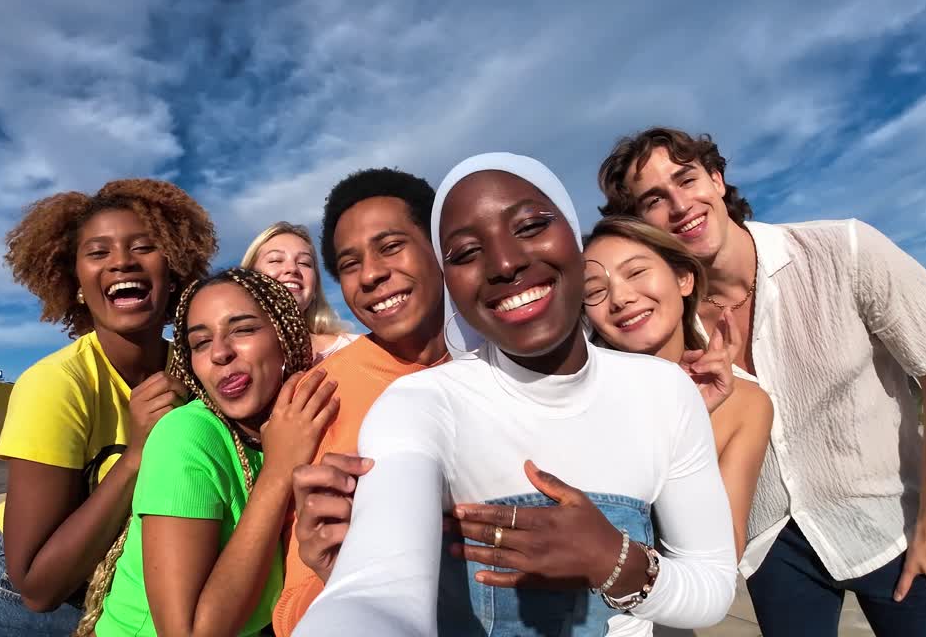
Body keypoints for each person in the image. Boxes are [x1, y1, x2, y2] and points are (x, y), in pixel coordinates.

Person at [294, 153, 736, 637]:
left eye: (530, 226)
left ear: (573, 234)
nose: (505, 263)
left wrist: (617, 560)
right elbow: (376, 593)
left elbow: (712, 587)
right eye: (465, 253)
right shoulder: (420, 406)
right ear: (451, 284)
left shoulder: (663, 392)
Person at [598, 127, 926, 636]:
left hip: (892, 527)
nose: (680, 205)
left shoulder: (844, 250)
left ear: (717, 177)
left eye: (687, 180)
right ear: (641, 224)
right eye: (654, 201)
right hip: (772, 547)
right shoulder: (664, 322)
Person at [0, 179, 217, 636]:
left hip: (112, 598)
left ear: (174, 274)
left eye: (143, 247)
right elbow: (37, 587)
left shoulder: (193, 371)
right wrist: (136, 456)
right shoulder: (56, 385)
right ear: (78, 285)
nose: (122, 261)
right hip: (12, 614)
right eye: (98, 252)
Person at [77, 268, 338, 637]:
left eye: (243, 330)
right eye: (200, 343)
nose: (219, 353)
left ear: (285, 335)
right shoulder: (187, 436)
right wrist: (278, 474)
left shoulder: (292, 426)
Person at [271, 168, 450, 637]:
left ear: (439, 246)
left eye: (391, 247)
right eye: (350, 265)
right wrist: (336, 579)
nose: (371, 274)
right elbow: (291, 607)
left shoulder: (497, 362)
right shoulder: (318, 395)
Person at [582, 216, 773, 559]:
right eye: (595, 291)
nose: (621, 297)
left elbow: (725, 555)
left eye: (637, 272)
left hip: (675, 606)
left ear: (684, 278)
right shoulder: (580, 396)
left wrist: (689, 423)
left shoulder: (748, 403)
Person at [242, 221, 358, 363]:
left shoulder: (356, 349)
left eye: (304, 263)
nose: (292, 269)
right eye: (276, 260)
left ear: (315, 286)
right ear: (248, 279)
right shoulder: (229, 357)